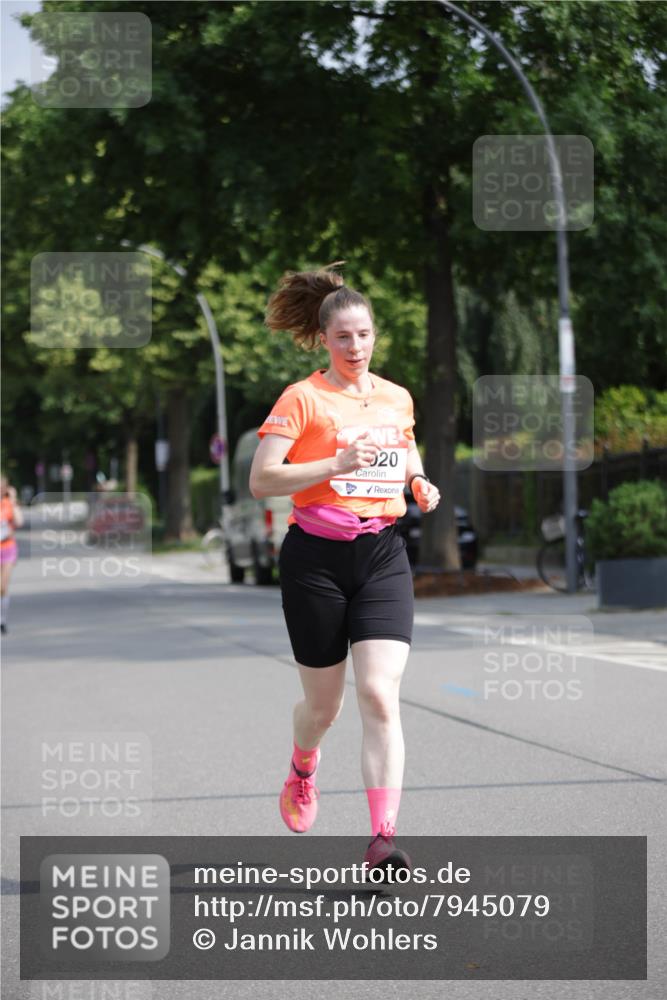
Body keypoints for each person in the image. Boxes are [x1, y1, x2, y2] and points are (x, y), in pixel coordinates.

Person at [249, 265, 440, 878]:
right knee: (323, 708)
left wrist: (416, 479)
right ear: (323, 340)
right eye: (343, 338)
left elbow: (404, 443)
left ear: (375, 335)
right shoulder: (302, 398)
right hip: (316, 561)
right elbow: (261, 480)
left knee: (380, 694)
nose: (355, 348)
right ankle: (303, 766)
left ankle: (383, 839)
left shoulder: (396, 396)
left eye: (363, 335)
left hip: (382, 553)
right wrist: (334, 462)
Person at [1, 476, 23, 635]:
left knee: (2, 587)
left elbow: (19, 521)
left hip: (7, 547)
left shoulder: (9, 504)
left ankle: (1, 619)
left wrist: (13, 499)